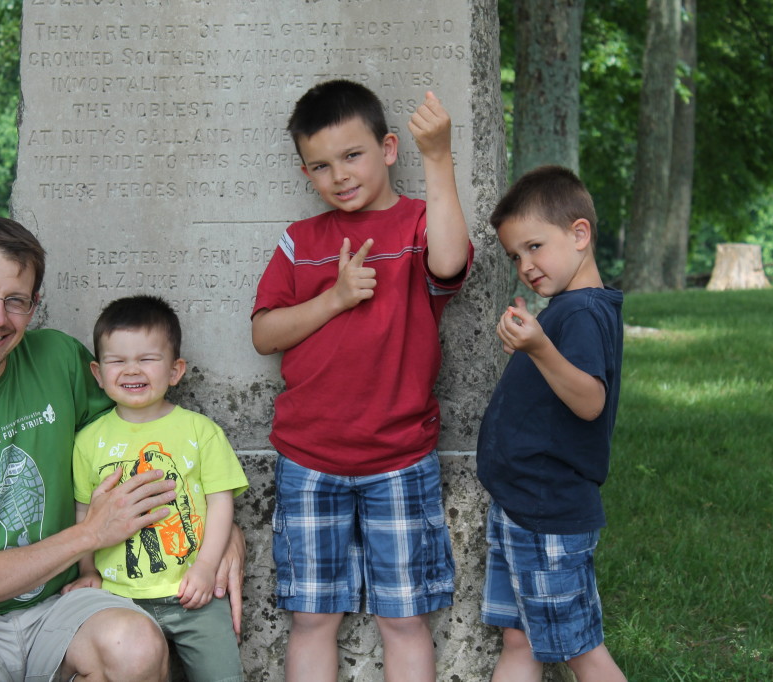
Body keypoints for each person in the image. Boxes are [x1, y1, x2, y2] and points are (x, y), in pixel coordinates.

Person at [0, 216, 245, 682]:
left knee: (135, 648)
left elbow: (147, 431)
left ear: (33, 306)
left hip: (63, 604)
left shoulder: (57, 359)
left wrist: (221, 537)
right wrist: (88, 535)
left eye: (15, 301)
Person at [250, 79, 474, 682]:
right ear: (306, 173)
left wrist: (439, 157)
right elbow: (266, 334)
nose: (340, 176)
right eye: (321, 166)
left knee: (403, 619)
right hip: (309, 457)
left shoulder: (417, 225)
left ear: (389, 149)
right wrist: (336, 298)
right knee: (312, 618)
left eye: (353, 156)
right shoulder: (302, 242)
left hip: (398, 458)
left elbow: (451, 262)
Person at [476, 166, 627, 682]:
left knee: (582, 651)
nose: (525, 264)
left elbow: (590, 400)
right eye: (515, 255)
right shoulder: (566, 309)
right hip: (523, 505)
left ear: (579, 234)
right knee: (520, 640)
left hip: (548, 512)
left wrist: (540, 347)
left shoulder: (582, 311)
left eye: (535, 246)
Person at [63, 295, 249, 682]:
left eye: (147, 359)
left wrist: (205, 567)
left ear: (175, 370)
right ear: (98, 374)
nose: (132, 370)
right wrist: (86, 569)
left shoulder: (200, 432)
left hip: (193, 594)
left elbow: (220, 506)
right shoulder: (88, 441)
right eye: (117, 360)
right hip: (118, 598)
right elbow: (84, 512)